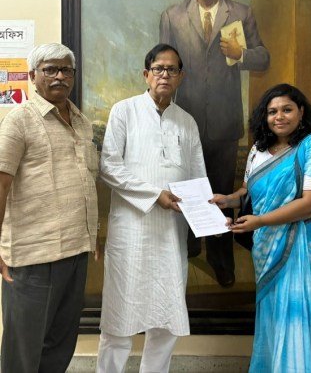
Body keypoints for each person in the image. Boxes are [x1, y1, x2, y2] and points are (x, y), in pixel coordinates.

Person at [160, 0, 270, 287]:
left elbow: (263, 58)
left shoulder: (241, 12)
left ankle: (221, 260)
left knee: (221, 192)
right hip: (184, 119)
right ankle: (189, 246)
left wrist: (243, 54)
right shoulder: (173, 16)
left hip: (224, 121)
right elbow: (165, 66)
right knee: (188, 188)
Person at [210, 84, 311, 371]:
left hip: (302, 249)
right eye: (272, 111)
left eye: (287, 109)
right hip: (266, 250)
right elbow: (249, 189)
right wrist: (228, 199)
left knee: (302, 322)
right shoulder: (258, 149)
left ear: (301, 111)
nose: (279, 116)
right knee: (273, 322)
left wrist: (261, 221)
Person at [95, 44, 207, 372]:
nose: (164, 75)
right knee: (119, 315)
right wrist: (154, 194)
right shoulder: (124, 111)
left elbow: (197, 174)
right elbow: (109, 166)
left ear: (180, 77)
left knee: (167, 316)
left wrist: (207, 211)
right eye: (158, 68)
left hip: (172, 232)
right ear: (146, 74)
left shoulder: (186, 122)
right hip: (131, 229)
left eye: (172, 70)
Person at [0, 43, 98, 372]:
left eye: (66, 70)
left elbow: (86, 181)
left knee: (60, 344)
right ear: (32, 76)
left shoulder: (82, 123)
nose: (59, 76)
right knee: (23, 351)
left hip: (75, 251)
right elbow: (1, 183)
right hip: (33, 258)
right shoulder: (19, 121)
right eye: (50, 69)